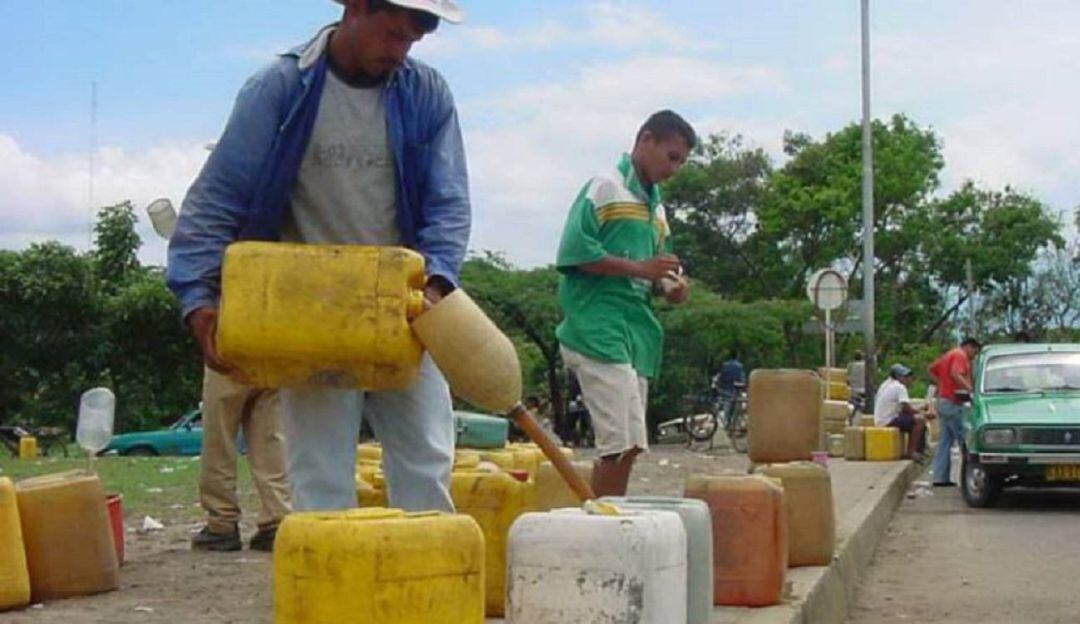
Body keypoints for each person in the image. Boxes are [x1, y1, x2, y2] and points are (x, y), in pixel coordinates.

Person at [167, 0, 470, 513]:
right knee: (319, 477)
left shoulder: (427, 94)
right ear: (354, 8)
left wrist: (436, 283)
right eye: (393, 34)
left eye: (412, 41)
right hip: (310, 313)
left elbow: (449, 204)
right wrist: (198, 298)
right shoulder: (278, 89)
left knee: (426, 462)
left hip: (407, 309)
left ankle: (423, 586)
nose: (401, 52)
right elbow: (218, 197)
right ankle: (329, 589)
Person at [555, 110, 697, 497]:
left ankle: (609, 514)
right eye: (672, 157)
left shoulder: (657, 209)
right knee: (617, 444)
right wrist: (642, 268)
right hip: (595, 326)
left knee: (632, 444)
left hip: (634, 332)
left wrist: (671, 286)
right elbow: (574, 252)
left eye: (681, 162)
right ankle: (604, 523)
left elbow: (658, 271)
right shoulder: (605, 187)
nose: (675, 169)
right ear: (645, 140)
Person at [191, 370, 291, 552]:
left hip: (226, 356)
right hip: (268, 356)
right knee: (270, 440)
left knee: (219, 440)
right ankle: (277, 519)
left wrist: (208, 350)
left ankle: (222, 522)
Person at [927, 337, 982, 486]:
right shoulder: (960, 355)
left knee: (945, 442)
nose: (974, 356)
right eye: (974, 352)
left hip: (944, 400)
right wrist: (971, 390)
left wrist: (942, 384)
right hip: (953, 403)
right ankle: (970, 477)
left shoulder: (948, 355)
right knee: (966, 441)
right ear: (969, 347)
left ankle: (940, 477)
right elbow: (955, 373)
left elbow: (931, 369)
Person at [873, 364, 928, 461]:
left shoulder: (885, 384)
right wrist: (923, 413)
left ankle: (920, 450)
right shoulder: (899, 387)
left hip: (881, 419)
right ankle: (912, 452)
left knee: (914, 419)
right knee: (920, 420)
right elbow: (906, 409)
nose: (909, 380)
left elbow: (903, 408)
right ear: (898, 377)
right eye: (905, 377)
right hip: (888, 421)